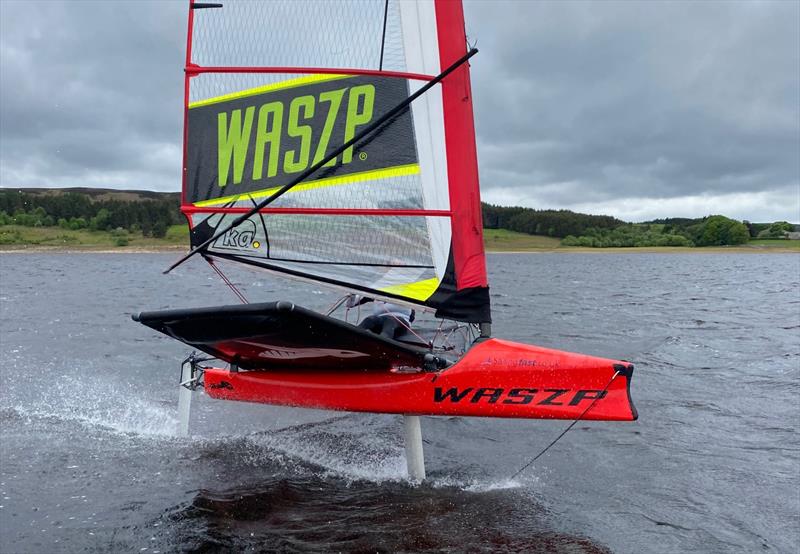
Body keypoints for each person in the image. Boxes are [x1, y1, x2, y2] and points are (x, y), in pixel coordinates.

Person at [346, 295, 415, 340]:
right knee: (369, 320)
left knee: (390, 321)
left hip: (400, 322)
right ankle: (349, 339)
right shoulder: (379, 292)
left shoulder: (408, 293)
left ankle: (382, 343)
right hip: (380, 320)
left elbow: (412, 317)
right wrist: (352, 295)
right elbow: (350, 304)